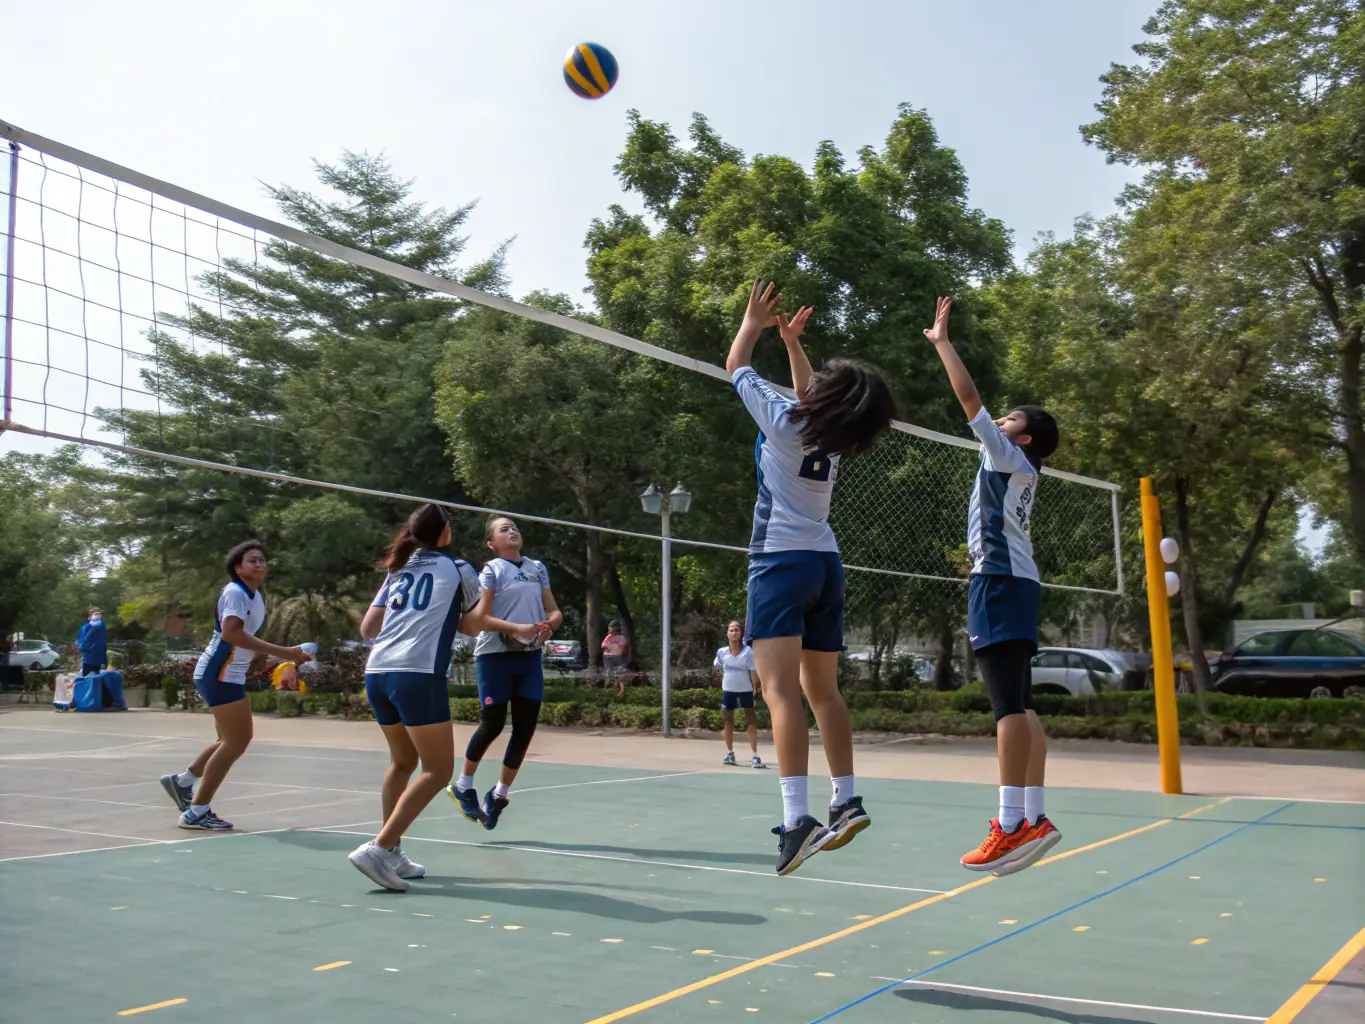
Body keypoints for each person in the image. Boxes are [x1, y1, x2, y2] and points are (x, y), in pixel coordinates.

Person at [727, 279, 899, 875]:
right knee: (823, 691)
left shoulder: (782, 420)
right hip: (826, 564)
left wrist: (753, 324)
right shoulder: (835, 434)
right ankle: (845, 799)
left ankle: (797, 820)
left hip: (779, 564)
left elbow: (736, 365)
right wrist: (794, 344)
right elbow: (810, 395)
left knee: (778, 694)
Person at [921, 295, 1063, 875]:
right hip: (1016, 581)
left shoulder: (1006, 456)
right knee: (1024, 705)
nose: (1000, 422)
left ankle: (1009, 826)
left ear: (1022, 439)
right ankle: (1033, 815)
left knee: (1006, 706)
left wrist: (942, 343)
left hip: (1000, 582)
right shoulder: (1021, 466)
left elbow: (969, 401)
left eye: (1011, 421)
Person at [347, 503, 525, 891]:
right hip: (417, 674)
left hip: (377, 672)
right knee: (437, 770)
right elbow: (475, 622)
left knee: (402, 762)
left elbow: (367, 627)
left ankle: (390, 851)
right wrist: (516, 627)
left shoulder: (399, 568)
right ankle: (378, 849)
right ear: (444, 532)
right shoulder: (458, 567)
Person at [158, 541, 312, 829]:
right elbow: (231, 634)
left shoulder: (255, 596)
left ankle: (183, 781)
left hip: (228, 674)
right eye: (252, 560)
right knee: (237, 741)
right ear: (238, 568)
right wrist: (285, 652)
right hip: (219, 673)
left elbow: (249, 637)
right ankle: (196, 812)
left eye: (262, 559)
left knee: (225, 741)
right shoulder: (235, 592)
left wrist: (266, 659)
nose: (259, 564)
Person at [446, 516, 562, 830]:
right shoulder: (492, 570)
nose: (512, 530)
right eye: (503, 529)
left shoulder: (537, 568)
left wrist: (548, 626)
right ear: (491, 543)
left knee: (525, 728)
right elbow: (480, 618)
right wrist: (516, 628)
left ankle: (499, 794)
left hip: (528, 657)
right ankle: (463, 784)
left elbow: (554, 610)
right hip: (495, 655)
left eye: (514, 526)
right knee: (493, 722)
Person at [714, 620, 763, 768]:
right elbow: (716, 668)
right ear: (727, 634)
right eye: (731, 630)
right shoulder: (722, 652)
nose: (734, 633)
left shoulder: (748, 652)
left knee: (751, 721)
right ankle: (729, 753)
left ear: (741, 633)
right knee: (728, 720)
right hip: (728, 691)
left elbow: (754, 671)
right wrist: (723, 680)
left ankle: (755, 756)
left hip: (746, 691)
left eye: (736, 630)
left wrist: (755, 688)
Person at [602, 620, 629, 696]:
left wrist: (610, 646)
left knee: (620, 674)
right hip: (608, 658)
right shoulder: (608, 637)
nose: (609, 630)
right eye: (608, 628)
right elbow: (603, 645)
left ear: (616, 628)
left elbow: (621, 650)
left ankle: (622, 692)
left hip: (618, 659)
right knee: (609, 674)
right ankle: (610, 691)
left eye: (610, 628)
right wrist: (614, 646)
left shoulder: (621, 638)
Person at [77, 608, 107, 676]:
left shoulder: (101, 625)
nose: (97, 616)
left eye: (99, 614)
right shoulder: (86, 627)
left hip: (98, 657)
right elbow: (83, 641)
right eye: (95, 614)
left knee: (96, 676)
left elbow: (102, 641)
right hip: (88, 657)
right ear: (90, 617)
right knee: (87, 676)